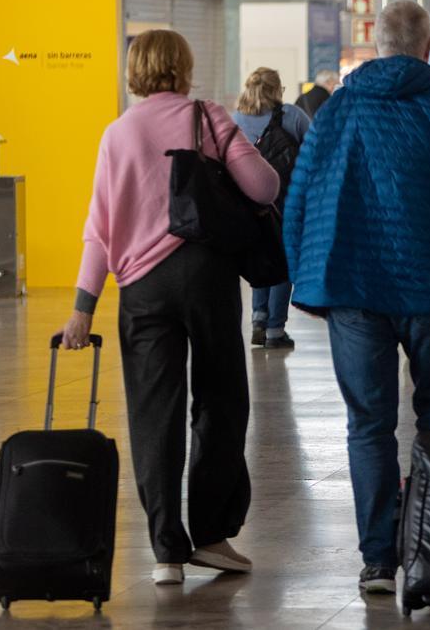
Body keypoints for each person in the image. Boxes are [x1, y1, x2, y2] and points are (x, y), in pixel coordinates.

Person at [282, 0, 430, 595]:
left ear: (375, 44)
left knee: (368, 423)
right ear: (427, 46)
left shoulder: (338, 109)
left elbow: (300, 193)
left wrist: (300, 274)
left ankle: (378, 558)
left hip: (352, 285)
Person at [59, 30, 278, 586]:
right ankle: (211, 535)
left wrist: (83, 308)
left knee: (153, 414)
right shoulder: (207, 118)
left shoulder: (116, 135)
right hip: (205, 276)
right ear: (183, 65)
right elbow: (264, 187)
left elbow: (99, 232)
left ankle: (165, 552)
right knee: (221, 400)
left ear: (134, 70)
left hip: (142, 290)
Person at [233, 67, 311, 349]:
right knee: (284, 262)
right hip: (288, 200)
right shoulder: (291, 116)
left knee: (259, 257)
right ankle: (275, 329)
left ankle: (258, 318)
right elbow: (315, 148)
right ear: (277, 90)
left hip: (249, 202)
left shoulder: (235, 119)